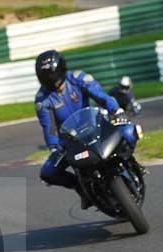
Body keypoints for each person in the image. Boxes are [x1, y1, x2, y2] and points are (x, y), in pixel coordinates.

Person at [34, 50, 144, 208]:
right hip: (71, 140)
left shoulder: (78, 78)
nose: (51, 80)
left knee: (129, 131)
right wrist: (54, 147)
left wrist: (116, 111)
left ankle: (129, 161)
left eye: (52, 75)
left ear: (62, 69)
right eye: (45, 77)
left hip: (95, 125)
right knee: (48, 172)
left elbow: (102, 96)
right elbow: (49, 129)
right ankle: (80, 188)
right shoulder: (42, 100)